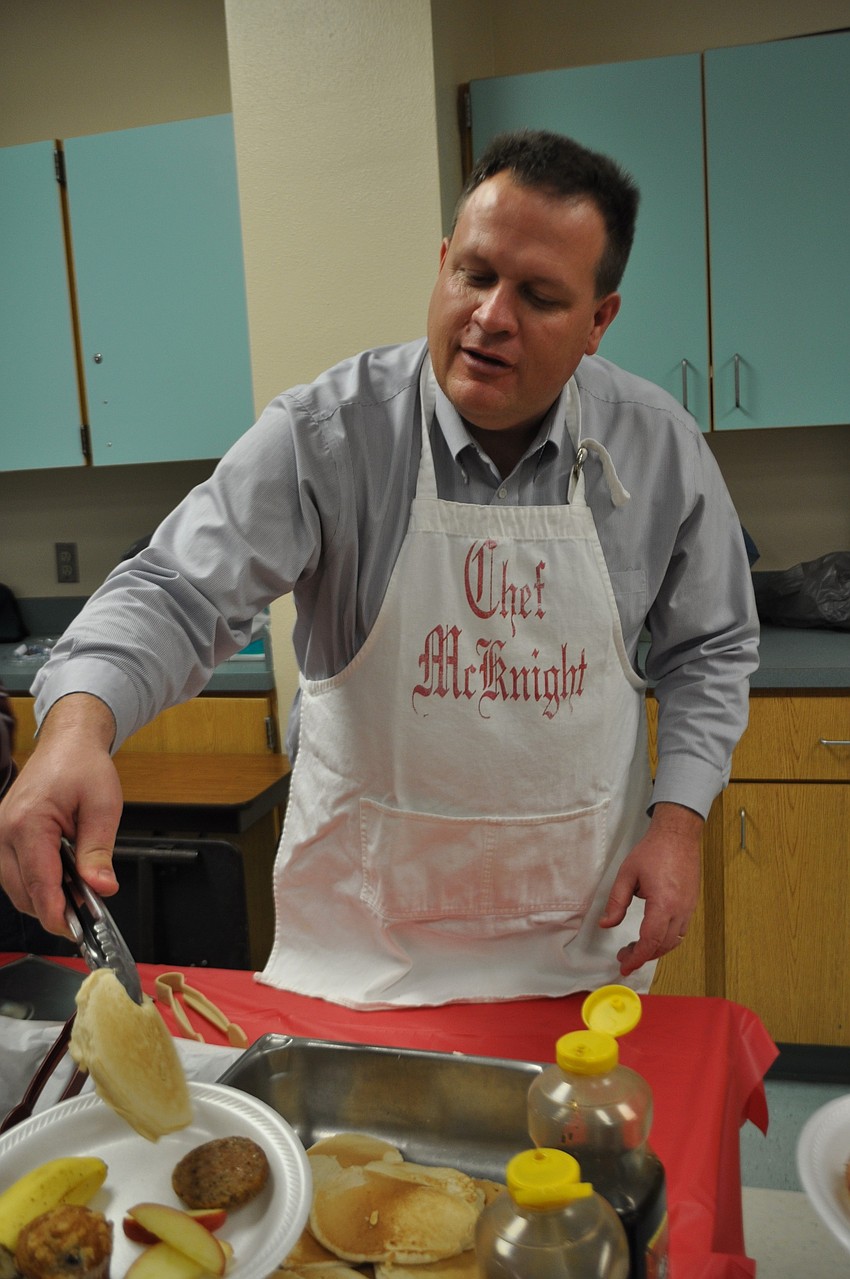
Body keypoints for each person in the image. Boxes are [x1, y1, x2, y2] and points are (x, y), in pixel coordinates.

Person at [0, 130, 758, 1008]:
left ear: (599, 320)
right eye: (474, 274)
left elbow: (709, 648)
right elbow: (176, 592)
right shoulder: (329, 434)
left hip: (581, 948)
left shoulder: (659, 447)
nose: (491, 317)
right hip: (362, 961)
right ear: (442, 264)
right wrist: (74, 730)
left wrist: (680, 821)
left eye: (541, 296)